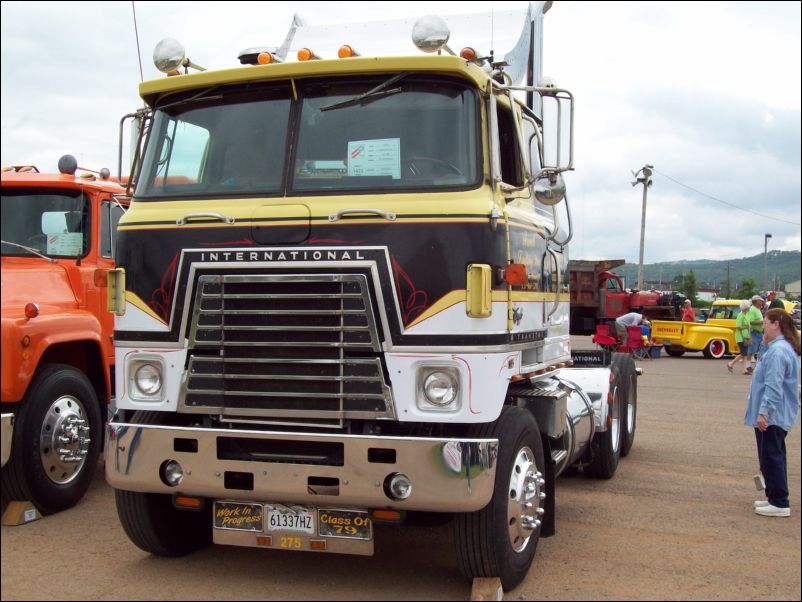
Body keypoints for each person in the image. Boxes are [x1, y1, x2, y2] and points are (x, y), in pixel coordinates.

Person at [744, 308, 800, 517]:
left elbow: (774, 386)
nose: (763, 326)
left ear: (776, 324)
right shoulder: (781, 347)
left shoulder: (778, 352)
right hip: (777, 413)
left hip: (773, 415)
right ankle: (774, 498)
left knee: (771, 457)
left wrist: (764, 413)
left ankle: (779, 502)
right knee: (772, 455)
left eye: (766, 322)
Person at [727, 300, 752, 374]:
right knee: (744, 353)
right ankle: (731, 363)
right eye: (749, 306)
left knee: (745, 353)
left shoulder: (746, 314)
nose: (750, 307)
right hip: (740, 337)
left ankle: (744, 369)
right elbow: (738, 327)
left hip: (745, 336)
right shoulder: (740, 315)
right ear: (746, 307)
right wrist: (747, 326)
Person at [745, 295, 765, 374]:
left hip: (759, 332)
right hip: (754, 332)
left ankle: (757, 366)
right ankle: (748, 366)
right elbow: (751, 321)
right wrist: (762, 322)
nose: (761, 302)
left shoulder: (757, 309)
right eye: (760, 301)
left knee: (760, 349)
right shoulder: (753, 309)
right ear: (756, 301)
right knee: (752, 350)